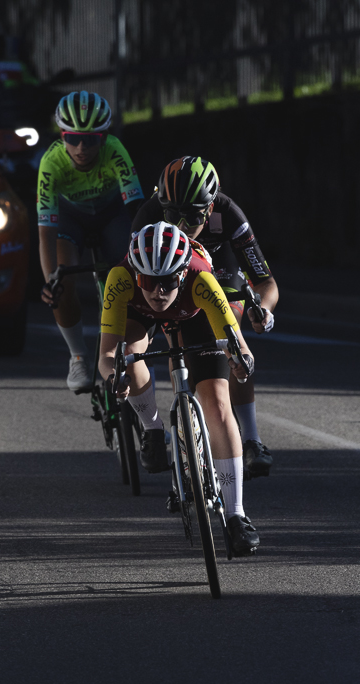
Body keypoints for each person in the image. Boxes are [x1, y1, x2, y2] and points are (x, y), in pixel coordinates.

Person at [98, 222, 261, 557]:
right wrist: (114, 377)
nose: (158, 291)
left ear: (183, 273)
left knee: (216, 403)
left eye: (167, 281)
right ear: (136, 275)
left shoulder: (202, 279)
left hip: (195, 315)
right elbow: (105, 355)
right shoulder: (121, 278)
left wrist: (242, 361)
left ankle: (236, 515)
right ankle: (153, 429)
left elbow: (238, 343)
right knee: (128, 356)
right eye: (149, 281)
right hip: (137, 316)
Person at [130, 157, 278, 480]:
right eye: (172, 215)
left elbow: (265, 282)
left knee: (229, 332)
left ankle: (251, 438)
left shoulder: (228, 214)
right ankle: (178, 423)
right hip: (170, 280)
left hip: (217, 274)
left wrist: (263, 309)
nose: (181, 224)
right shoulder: (149, 217)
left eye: (193, 216)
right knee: (175, 339)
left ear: (210, 209)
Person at [38, 91, 144, 392]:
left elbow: (136, 209)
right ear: (62, 136)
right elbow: (45, 230)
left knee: (132, 273)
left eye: (91, 139)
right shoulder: (51, 162)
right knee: (61, 280)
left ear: (104, 136)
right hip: (71, 219)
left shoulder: (115, 149)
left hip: (112, 215)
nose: (81, 147)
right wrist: (50, 280)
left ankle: (126, 345)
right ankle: (78, 356)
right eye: (72, 139)